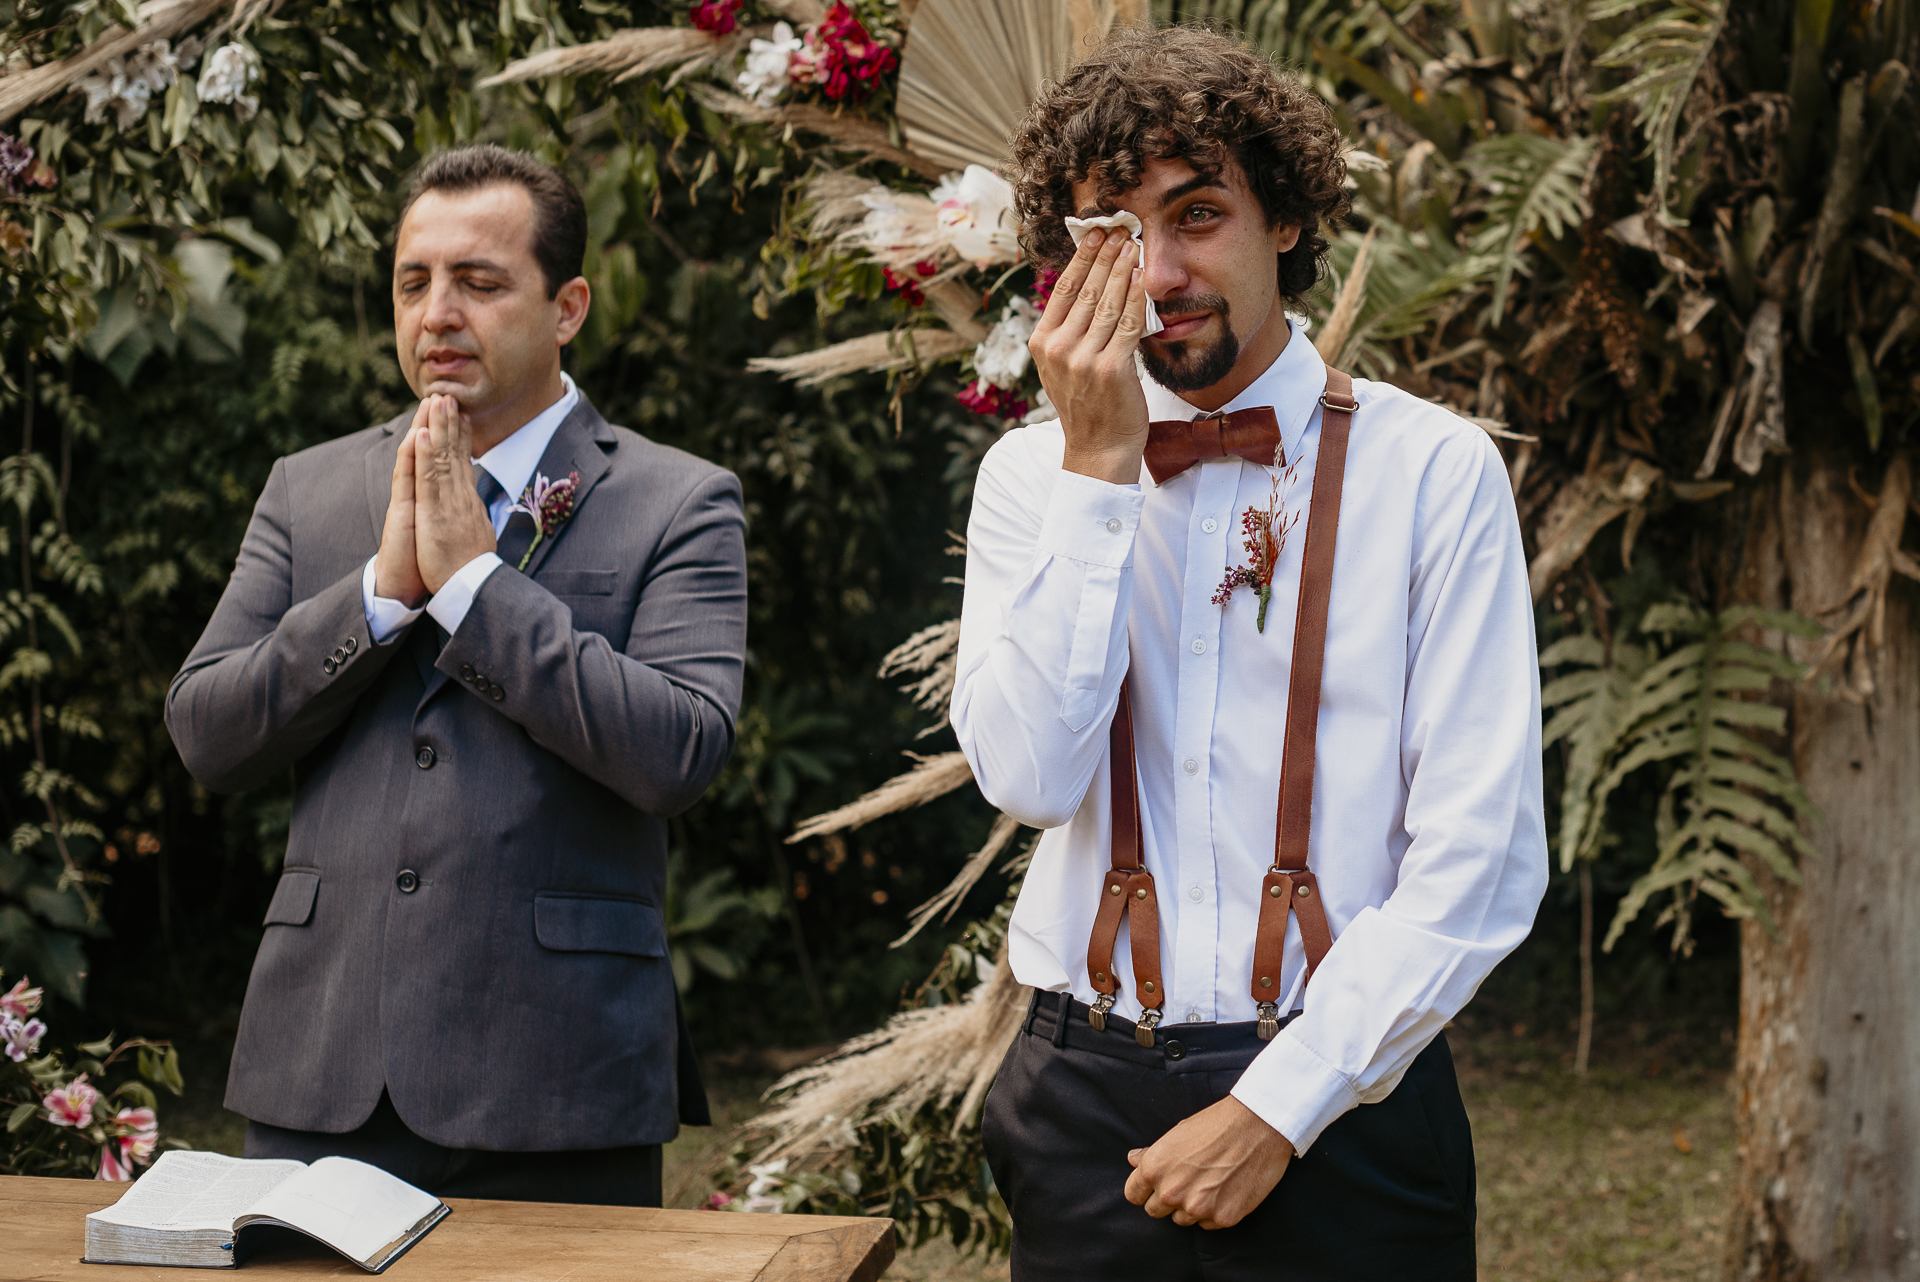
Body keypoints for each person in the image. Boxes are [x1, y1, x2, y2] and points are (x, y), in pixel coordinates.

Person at [953, 28, 1547, 1278]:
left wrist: (1281, 1104)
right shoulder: (1026, 479)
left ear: (1285, 220)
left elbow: (1480, 855)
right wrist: (1101, 470)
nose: (1160, 271)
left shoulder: (1435, 472)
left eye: (1200, 213)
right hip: (1082, 1100)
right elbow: (1029, 779)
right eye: (1109, 233)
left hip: (1355, 1112)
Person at [165, 145, 747, 1206]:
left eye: (479, 283)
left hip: (560, 1079)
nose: (438, 313)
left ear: (567, 306)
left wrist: (479, 588)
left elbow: (681, 751)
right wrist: (379, 595)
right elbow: (207, 730)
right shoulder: (311, 489)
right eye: (413, 282)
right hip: (320, 1063)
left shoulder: (680, 500)